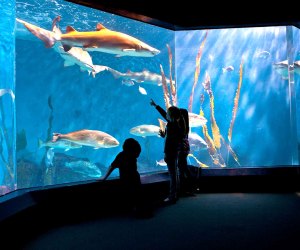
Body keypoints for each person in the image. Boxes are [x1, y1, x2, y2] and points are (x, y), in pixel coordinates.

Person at [150, 99, 183, 204]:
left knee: (172, 175)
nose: (166, 116)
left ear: (171, 116)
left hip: (170, 152)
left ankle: (172, 196)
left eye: (168, 115)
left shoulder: (173, 126)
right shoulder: (175, 125)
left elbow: (170, 142)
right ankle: (175, 194)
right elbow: (170, 138)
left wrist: (166, 154)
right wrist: (156, 106)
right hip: (174, 152)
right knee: (174, 174)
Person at [101, 138, 144, 214]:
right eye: (137, 153)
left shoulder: (127, 155)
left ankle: (136, 208)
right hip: (128, 179)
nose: (138, 155)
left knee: (136, 194)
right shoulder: (122, 156)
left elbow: (112, 166)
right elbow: (112, 166)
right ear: (132, 151)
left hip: (133, 178)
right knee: (133, 194)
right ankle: (136, 208)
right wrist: (104, 177)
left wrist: (105, 177)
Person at [177, 108, 196, 195]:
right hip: (185, 148)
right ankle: (189, 188)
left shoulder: (180, 125)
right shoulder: (186, 125)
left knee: (182, 168)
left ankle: (187, 189)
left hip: (181, 149)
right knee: (183, 167)